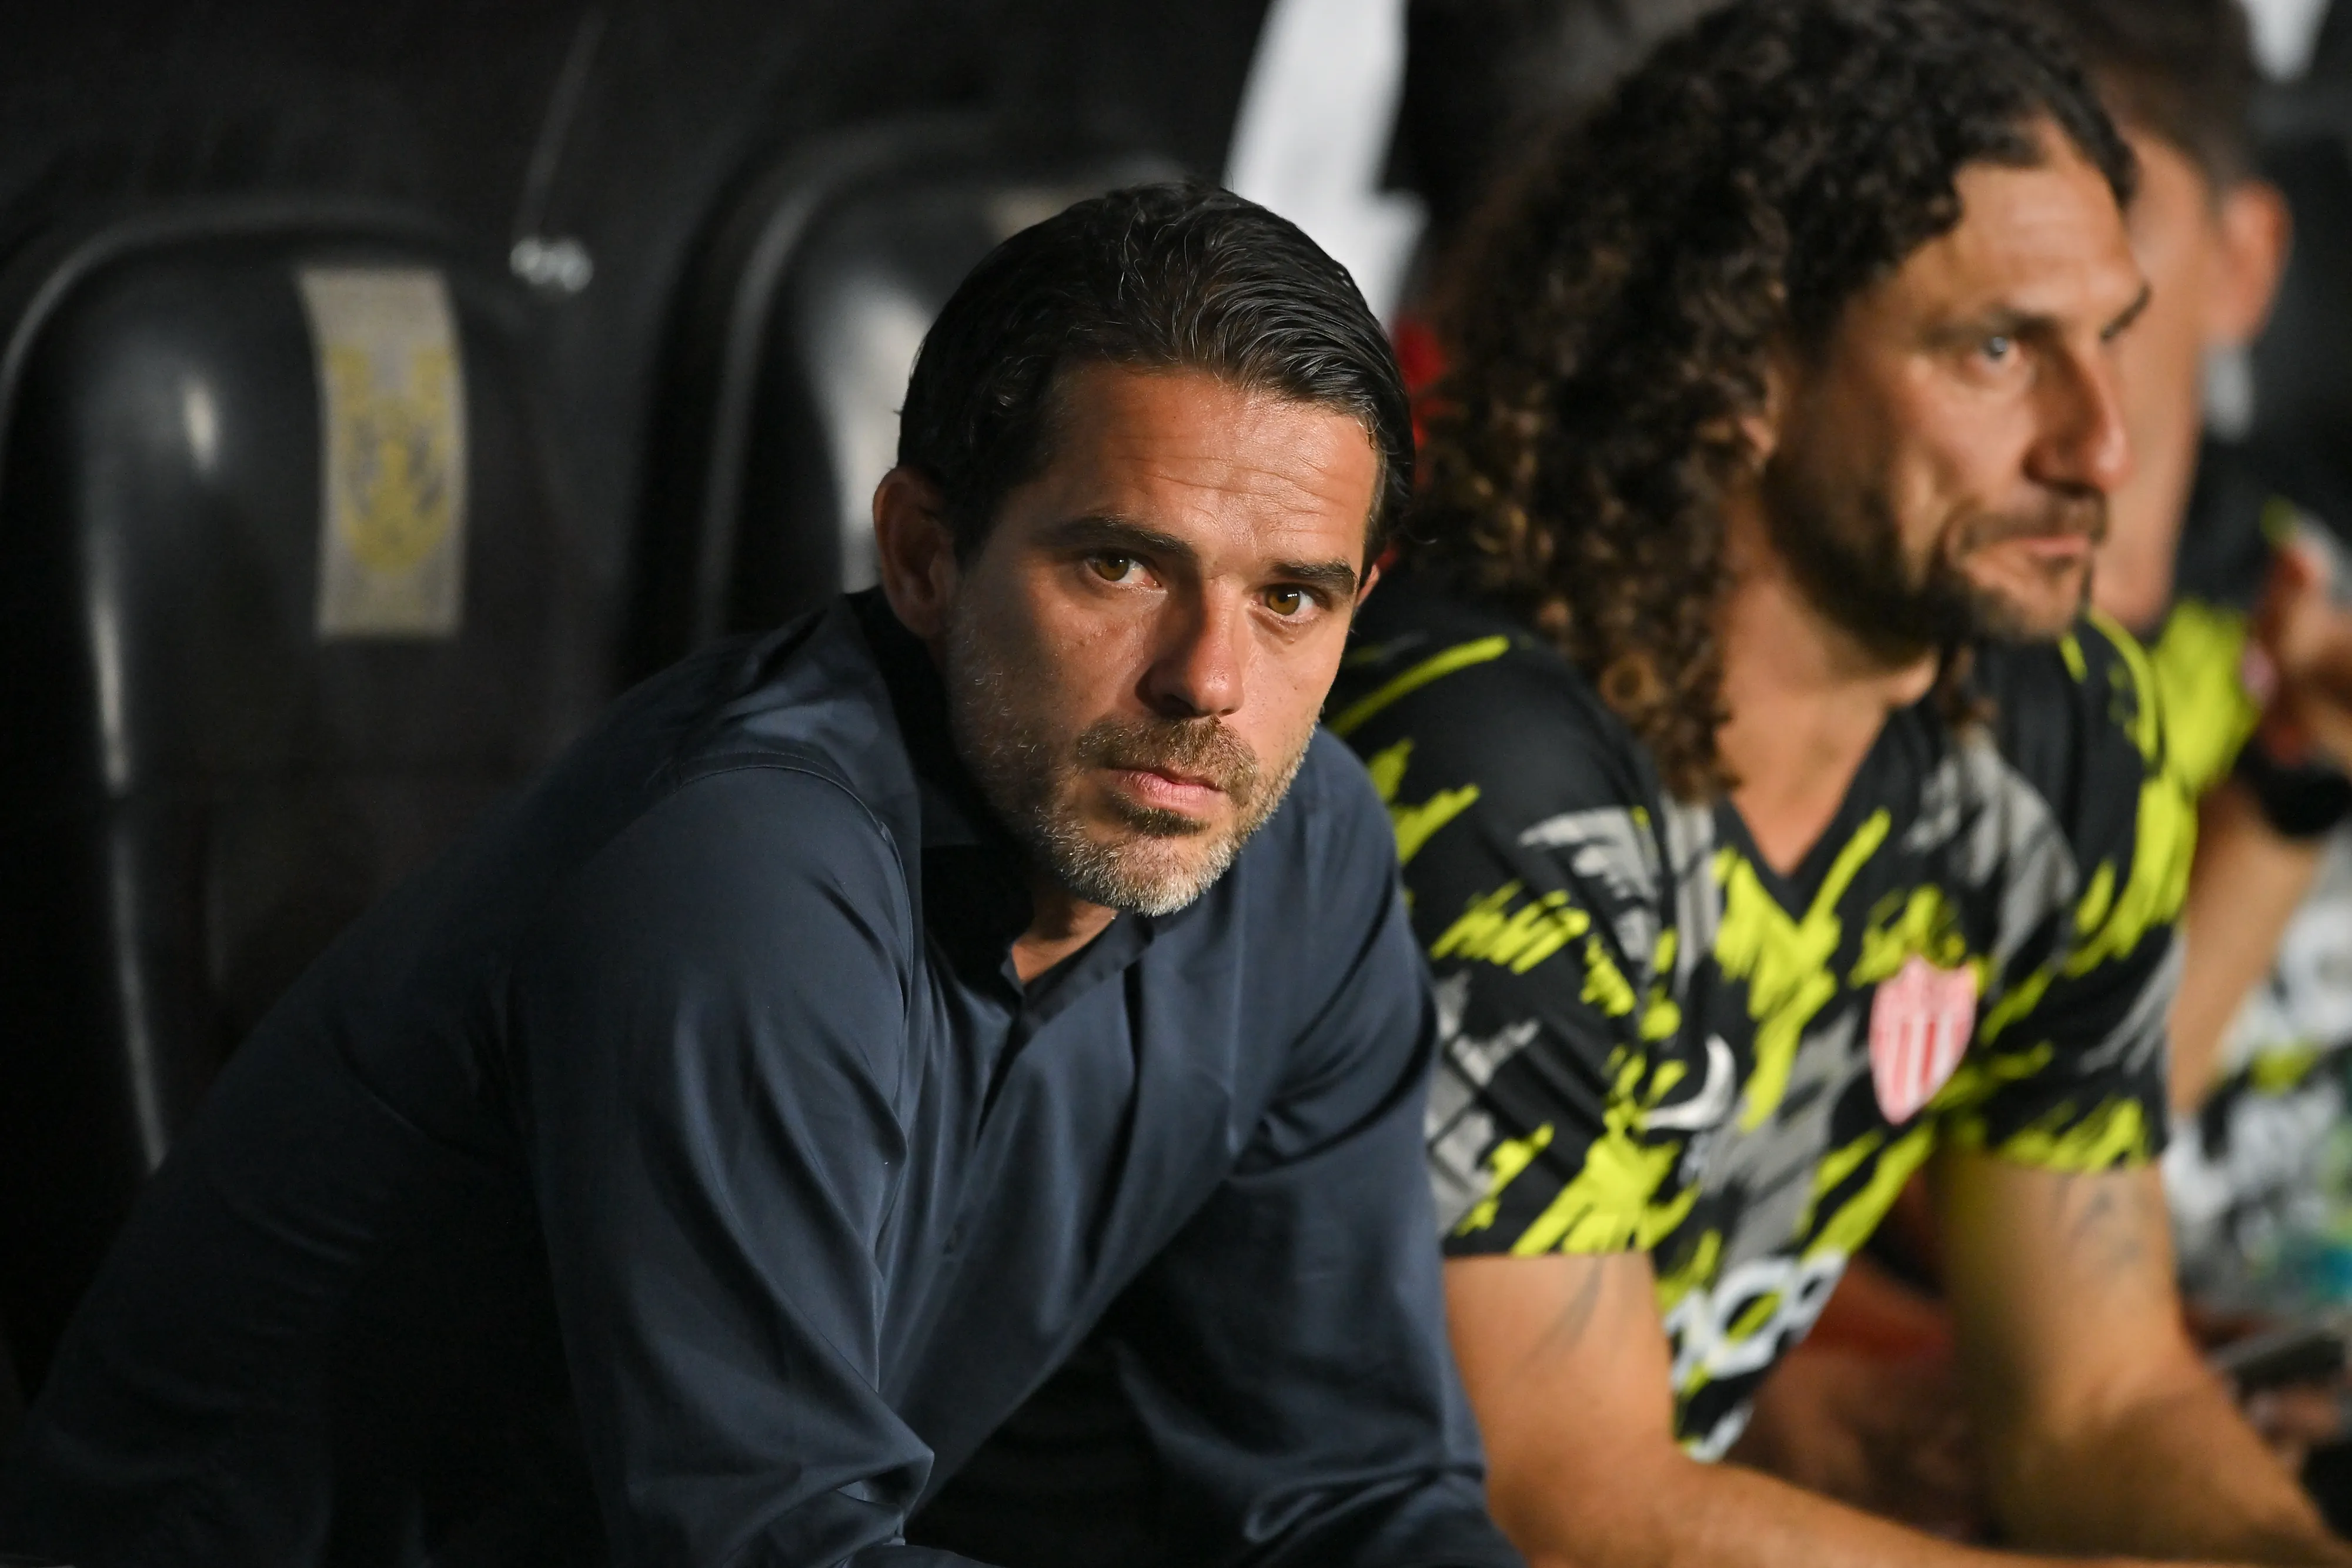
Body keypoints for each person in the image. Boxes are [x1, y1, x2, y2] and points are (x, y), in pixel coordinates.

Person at [0, 183, 1521, 1568]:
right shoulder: (743, 877)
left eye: (1292, 599)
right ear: (923, 557)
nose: (1211, 679)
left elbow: (1353, 1495)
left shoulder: (1300, 847)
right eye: (1120, 565)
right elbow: (773, 1550)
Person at [1329, 1, 2352, 1563]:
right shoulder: (1492, 767)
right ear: (1746, 372)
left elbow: (2096, 1402)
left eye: (2118, 337)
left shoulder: (2063, 724)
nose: (2104, 446)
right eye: (1998, 349)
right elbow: (1561, 1500)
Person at [1733, 0, 2352, 1518]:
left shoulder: (2304, 600)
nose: (2093, 421)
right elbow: (1973, 1206)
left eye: (2111, 287)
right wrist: (2289, 799)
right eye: (1999, 324)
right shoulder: (1890, 665)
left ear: (2245, 264)